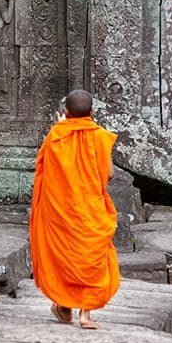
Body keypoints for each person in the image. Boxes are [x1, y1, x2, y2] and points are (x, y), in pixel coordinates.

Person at [29, 89, 120, 329]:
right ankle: (85, 315)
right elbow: (109, 173)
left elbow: (47, 170)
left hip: (61, 209)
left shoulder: (57, 135)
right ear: (92, 112)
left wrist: (61, 127)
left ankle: (64, 304)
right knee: (90, 258)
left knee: (63, 257)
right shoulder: (100, 136)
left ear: (66, 112)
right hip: (90, 209)